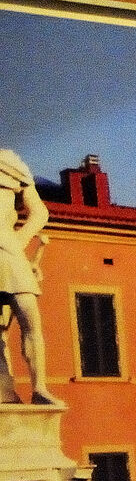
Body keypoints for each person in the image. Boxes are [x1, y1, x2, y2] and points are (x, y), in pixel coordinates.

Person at [0, 148, 53, 404]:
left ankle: (39, 388)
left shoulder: (10, 162)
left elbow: (39, 212)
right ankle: (5, 391)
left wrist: (18, 243)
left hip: (10, 250)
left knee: (29, 316)